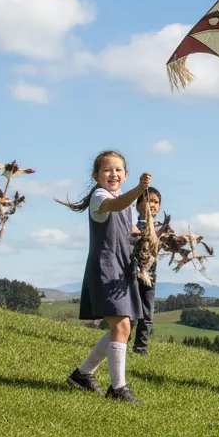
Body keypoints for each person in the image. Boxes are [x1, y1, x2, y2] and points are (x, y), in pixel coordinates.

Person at [60, 150, 150, 403]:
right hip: (106, 267)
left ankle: (82, 374)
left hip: (122, 268)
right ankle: (118, 388)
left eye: (118, 170)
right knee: (121, 325)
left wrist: (152, 239)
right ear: (96, 175)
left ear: (125, 174)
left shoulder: (123, 200)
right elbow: (115, 206)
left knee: (121, 328)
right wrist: (139, 189)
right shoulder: (100, 197)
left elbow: (128, 228)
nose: (114, 174)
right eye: (108, 170)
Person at [131, 186, 162, 356]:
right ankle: (122, 340)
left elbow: (172, 241)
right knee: (129, 312)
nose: (153, 205)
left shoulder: (161, 228)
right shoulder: (132, 225)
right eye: (149, 201)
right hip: (131, 273)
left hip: (150, 276)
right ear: (138, 205)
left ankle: (141, 348)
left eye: (156, 202)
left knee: (147, 313)